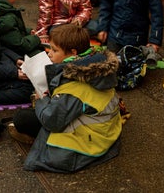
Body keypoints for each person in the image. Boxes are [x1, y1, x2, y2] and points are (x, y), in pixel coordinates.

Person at [8, 24, 122, 173]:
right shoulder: (94, 65)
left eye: (54, 50)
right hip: (104, 131)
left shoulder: (76, 86)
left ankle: (34, 137)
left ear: (73, 53)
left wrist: (41, 100)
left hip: (89, 141)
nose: (49, 54)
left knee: (22, 118)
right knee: (30, 115)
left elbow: (52, 120)